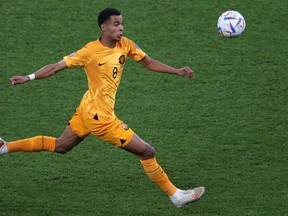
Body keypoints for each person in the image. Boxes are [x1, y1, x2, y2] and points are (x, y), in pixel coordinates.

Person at [0, 8, 204, 208]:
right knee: (147, 151)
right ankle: (176, 195)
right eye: (116, 24)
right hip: (102, 119)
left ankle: (5, 147)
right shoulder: (89, 51)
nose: (121, 28)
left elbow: (148, 63)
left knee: (61, 146)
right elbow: (55, 67)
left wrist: (176, 71)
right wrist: (29, 77)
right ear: (104, 28)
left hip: (87, 107)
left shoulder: (126, 45)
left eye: (122, 23)